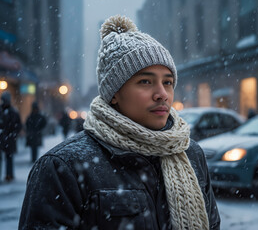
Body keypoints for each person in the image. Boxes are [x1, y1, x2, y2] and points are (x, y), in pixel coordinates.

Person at [19, 15, 220, 229]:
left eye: (168, 82)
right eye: (145, 81)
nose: (162, 94)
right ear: (114, 93)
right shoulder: (63, 167)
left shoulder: (191, 154)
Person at [0, 91, 22, 182]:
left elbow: (18, 125)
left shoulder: (13, 112)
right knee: (7, 157)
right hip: (3, 138)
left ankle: (9, 175)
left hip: (8, 138)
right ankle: (9, 175)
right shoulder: (11, 112)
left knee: (9, 157)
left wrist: (13, 134)